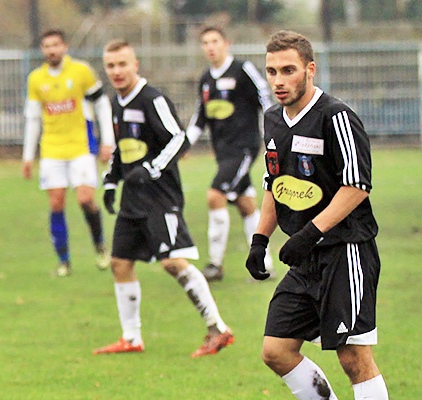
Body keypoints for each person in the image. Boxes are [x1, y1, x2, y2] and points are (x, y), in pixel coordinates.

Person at [248, 30, 390, 400]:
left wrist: (310, 233)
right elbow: (275, 185)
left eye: (288, 70)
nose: (279, 80)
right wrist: (259, 238)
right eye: (272, 71)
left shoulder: (336, 117)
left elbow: (356, 186)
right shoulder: (272, 119)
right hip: (304, 259)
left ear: (310, 69)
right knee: (277, 350)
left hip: (345, 250)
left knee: (353, 355)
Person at [93, 40, 234, 358]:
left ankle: (218, 328)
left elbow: (178, 138)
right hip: (133, 198)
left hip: (160, 197)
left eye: (122, 64)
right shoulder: (117, 103)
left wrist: (152, 168)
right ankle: (131, 338)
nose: (116, 71)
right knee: (120, 263)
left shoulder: (152, 99)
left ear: (135, 64)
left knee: (173, 261)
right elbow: (122, 146)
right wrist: (112, 180)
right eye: (111, 66)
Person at [22, 29, 115, 277]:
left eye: (56, 45)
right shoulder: (35, 79)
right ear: (43, 50)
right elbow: (32, 118)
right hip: (52, 149)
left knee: (85, 199)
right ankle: (64, 260)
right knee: (56, 202)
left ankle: (100, 245)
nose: (52, 50)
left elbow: (102, 103)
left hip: (81, 147)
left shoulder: (81, 71)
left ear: (64, 47)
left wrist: (108, 141)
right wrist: (28, 156)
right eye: (47, 46)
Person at [186, 25, 275, 282]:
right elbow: (200, 117)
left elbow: (265, 98)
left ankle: (215, 264)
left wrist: (274, 132)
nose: (211, 47)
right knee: (247, 204)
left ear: (227, 43)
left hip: (244, 147)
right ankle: (264, 265)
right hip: (223, 152)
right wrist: (184, 144)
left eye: (215, 41)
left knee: (215, 196)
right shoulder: (206, 79)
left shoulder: (242, 69)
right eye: (205, 42)